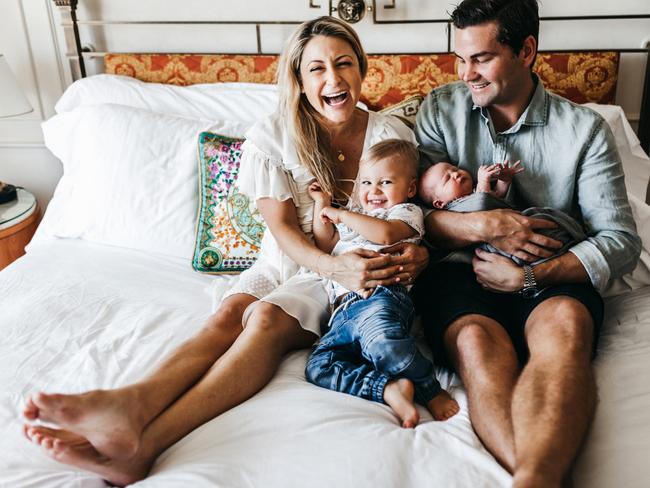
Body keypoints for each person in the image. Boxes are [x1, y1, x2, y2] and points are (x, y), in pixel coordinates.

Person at [21, 16, 429, 485]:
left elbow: (410, 213)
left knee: (265, 321)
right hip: (288, 259)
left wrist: (404, 255)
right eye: (316, 69)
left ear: (362, 69)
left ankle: (145, 441)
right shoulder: (274, 134)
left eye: (344, 64)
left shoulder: (389, 134)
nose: (332, 79)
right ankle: (133, 403)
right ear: (298, 79)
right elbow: (279, 230)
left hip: (345, 272)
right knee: (226, 317)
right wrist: (332, 266)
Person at [412, 0, 641, 487]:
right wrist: (488, 226)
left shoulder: (586, 131)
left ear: (527, 50)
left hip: (555, 273)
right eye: (460, 58)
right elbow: (417, 220)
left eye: (482, 58)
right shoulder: (438, 110)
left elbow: (621, 239)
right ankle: (538, 477)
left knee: (565, 336)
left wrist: (533, 275)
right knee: (475, 344)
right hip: (461, 274)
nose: (466, 73)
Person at [304, 139, 459, 427]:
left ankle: (428, 388)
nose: (373, 191)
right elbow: (326, 242)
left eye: (385, 182)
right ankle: (387, 388)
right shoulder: (355, 214)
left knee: (383, 342)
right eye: (366, 182)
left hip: (382, 295)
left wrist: (340, 215)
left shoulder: (405, 213)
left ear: (410, 189)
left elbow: (387, 235)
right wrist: (322, 206)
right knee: (318, 366)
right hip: (342, 312)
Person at [419, 160, 589, 268]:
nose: (455, 174)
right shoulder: (454, 209)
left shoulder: (474, 193)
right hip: (497, 249)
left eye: (454, 169)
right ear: (439, 203)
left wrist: (504, 180)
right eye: (447, 178)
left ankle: (569, 237)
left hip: (517, 226)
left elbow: (497, 198)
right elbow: (482, 206)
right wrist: (484, 181)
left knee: (543, 220)